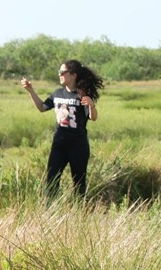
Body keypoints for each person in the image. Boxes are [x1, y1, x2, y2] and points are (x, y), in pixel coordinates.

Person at [21, 60, 104, 197]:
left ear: (73, 75)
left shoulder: (82, 94)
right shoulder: (57, 93)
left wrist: (91, 104)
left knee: (79, 183)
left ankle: (79, 212)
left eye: (62, 72)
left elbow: (93, 117)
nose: (59, 74)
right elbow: (42, 107)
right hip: (59, 144)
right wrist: (30, 91)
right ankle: (50, 211)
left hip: (78, 145)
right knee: (51, 180)